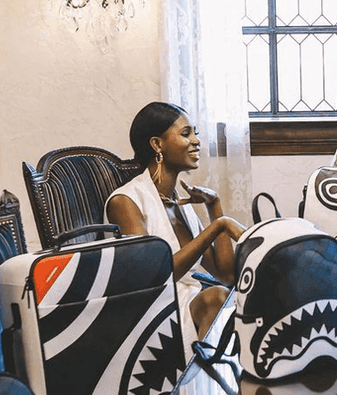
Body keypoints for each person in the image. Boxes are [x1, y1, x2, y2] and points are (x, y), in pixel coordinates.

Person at [105, 102, 246, 345]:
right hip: (151, 312)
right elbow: (153, 277)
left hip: (187, 302)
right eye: (185, 133)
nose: (196, 141)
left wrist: (215, 206)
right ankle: (205, 367)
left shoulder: (181, 205)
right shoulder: (125, 202)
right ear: (157, 144)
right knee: (217, 299)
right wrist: (218, 226)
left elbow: (226, 275)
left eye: (195, 134)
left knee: (240, 298)